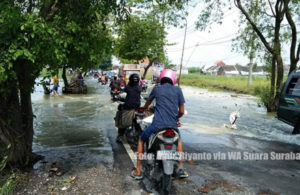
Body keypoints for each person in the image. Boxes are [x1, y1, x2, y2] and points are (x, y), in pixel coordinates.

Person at [131, 69, 188, 180]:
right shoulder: (178, 90)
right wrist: (176, 118)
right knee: (179, 141)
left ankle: (138, 170)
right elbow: (181, 111)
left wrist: (144, 108)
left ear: (161, 78)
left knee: (141, 140)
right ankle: (181, 168)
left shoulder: (156, 89)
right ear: (173, 80)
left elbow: (147, 105)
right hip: (172, 125)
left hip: (157, 125)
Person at [116, 73, 142, 142]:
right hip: (137, 107)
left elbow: (122, 95)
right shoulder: (139, 87)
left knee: (121, 119)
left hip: (128, 107)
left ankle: (120, 135)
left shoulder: (127, 87)